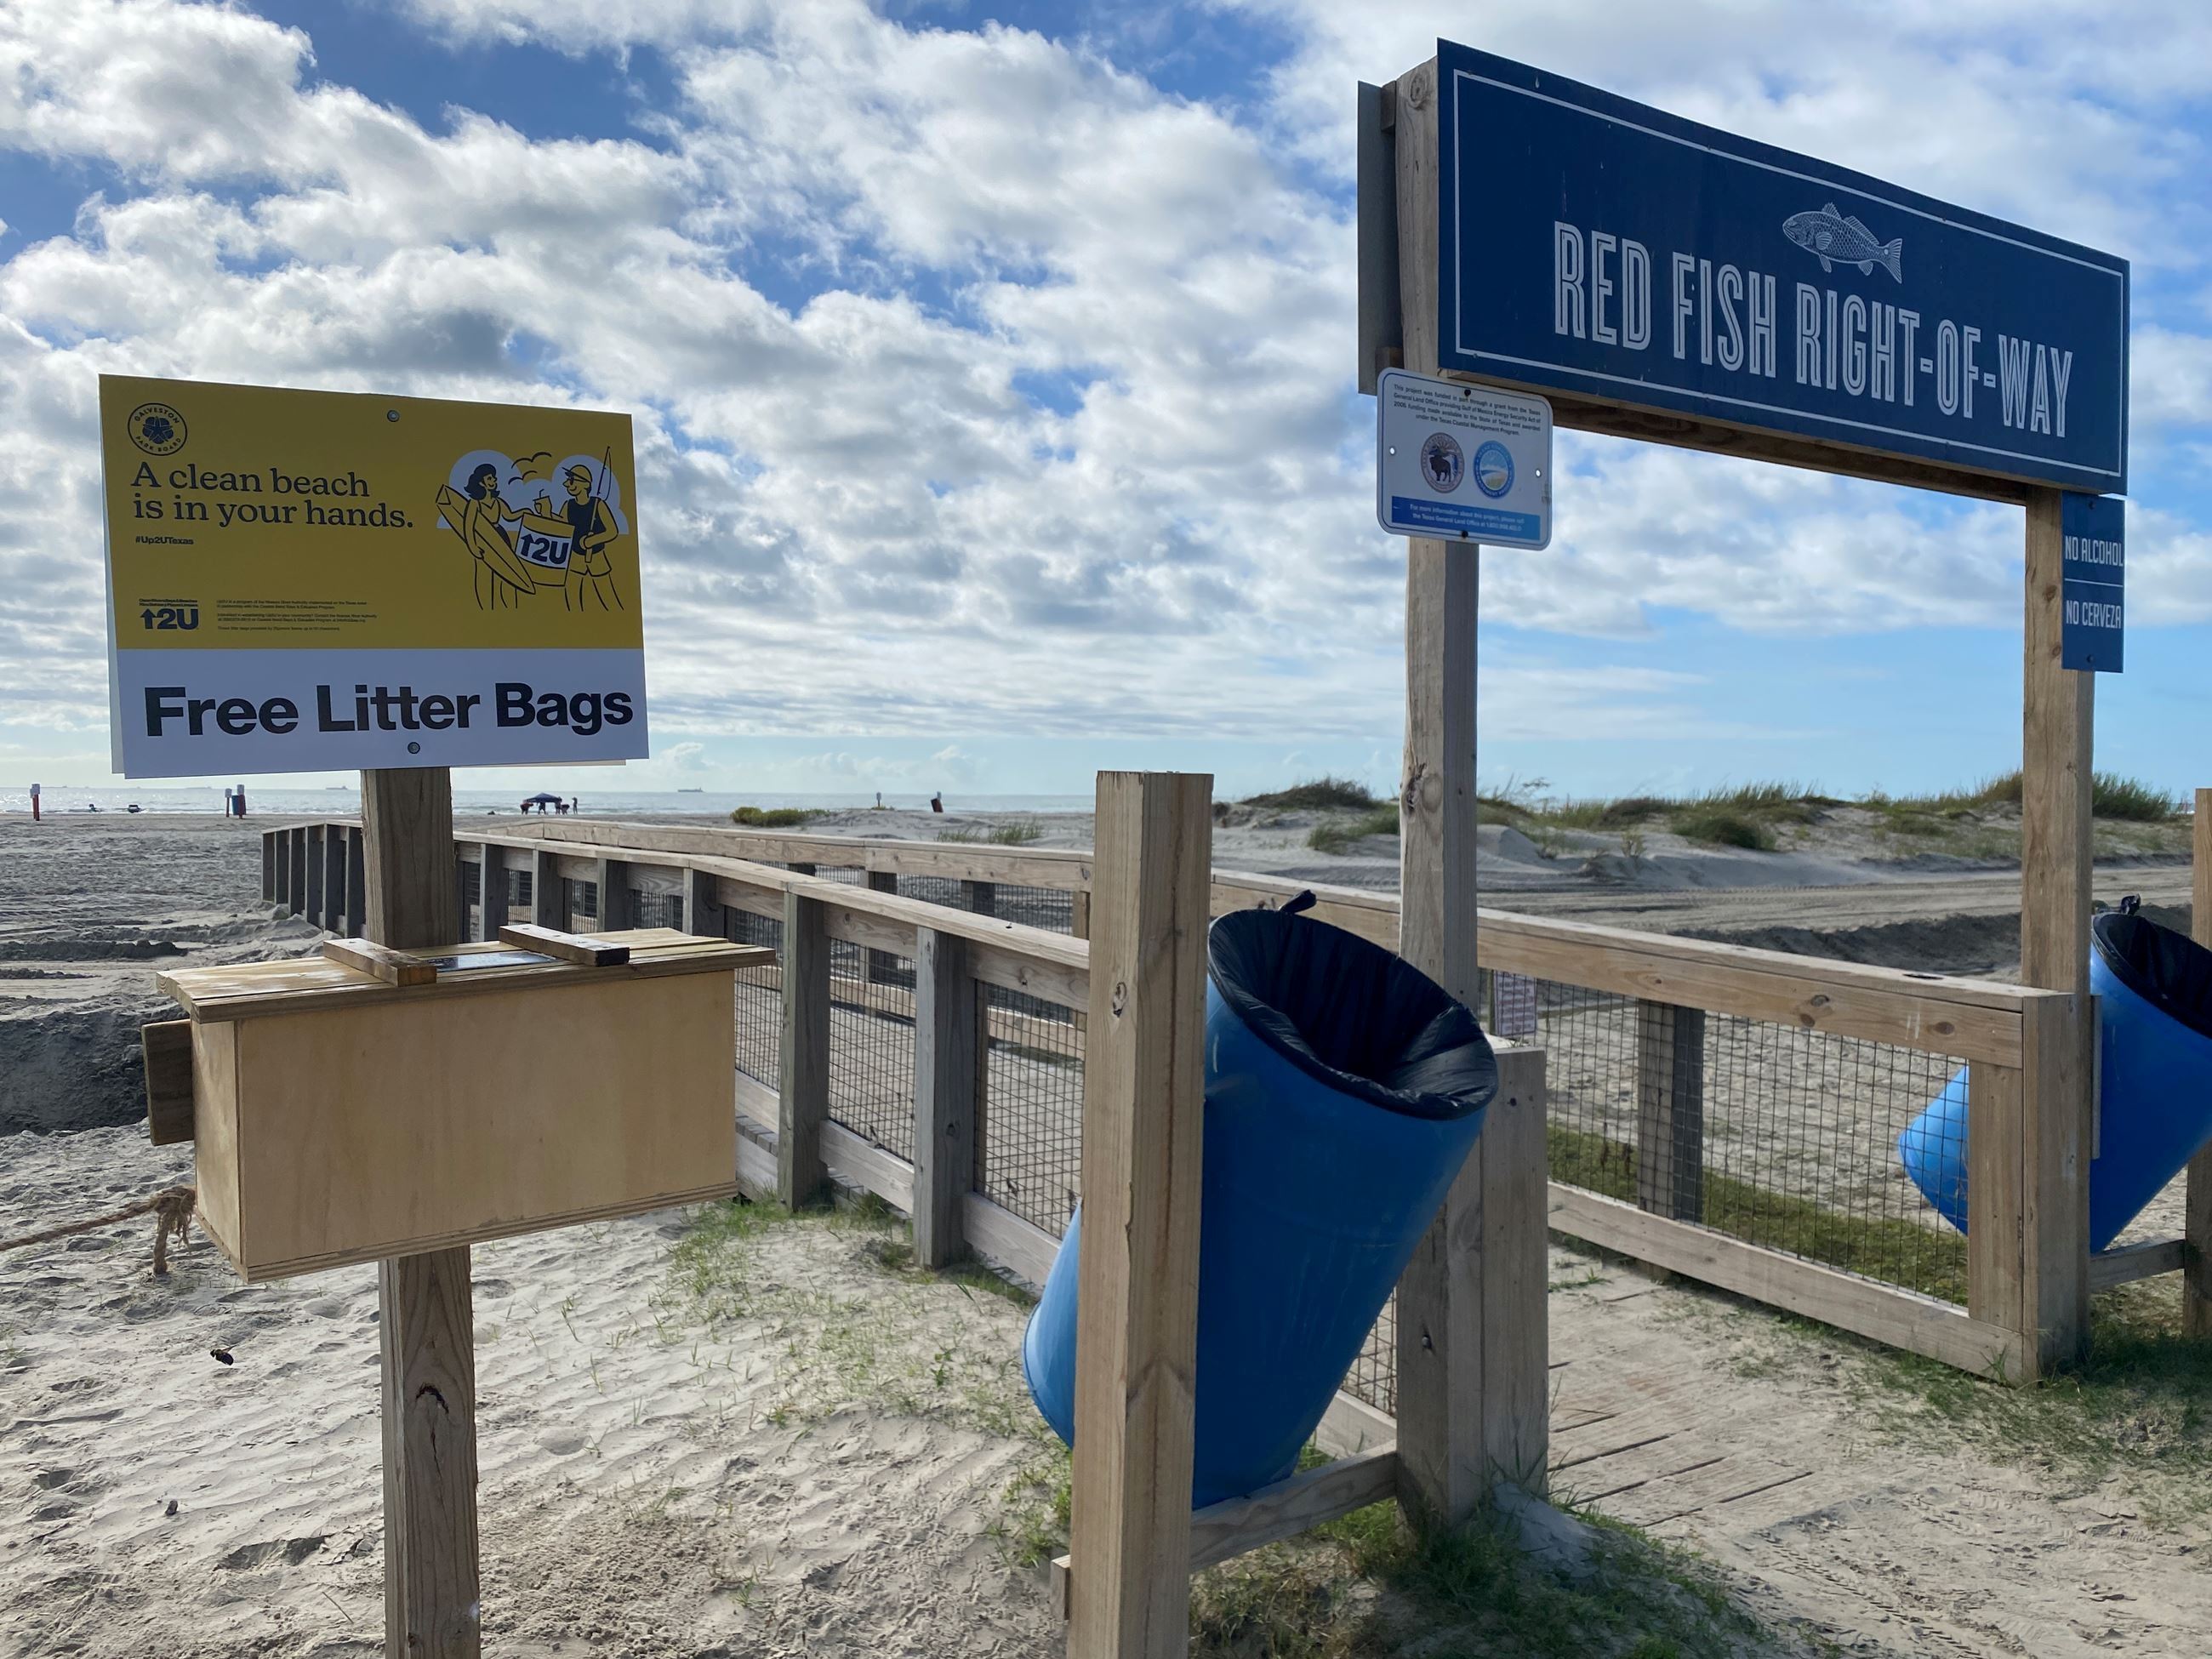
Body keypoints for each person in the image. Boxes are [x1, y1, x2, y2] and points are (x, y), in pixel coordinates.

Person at [436, 464, 537, 609]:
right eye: (490, 478)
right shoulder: (474, 503)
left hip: (501, 537)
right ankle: (486, 606)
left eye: (494, 478)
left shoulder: (498, 501)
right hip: (483, 540)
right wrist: (472, 546)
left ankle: (507, 606)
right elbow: (468, 526)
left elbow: (509, 516)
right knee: (485, 574)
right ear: (481, 482)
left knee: (505, 575)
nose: (494, 481)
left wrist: (523, 511)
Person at [532, 464, 623, 613]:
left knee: (607, 596)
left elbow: (612, 531)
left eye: (572, 480)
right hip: (575, 557)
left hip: (596, 557)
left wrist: (591, 541)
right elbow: (562, 527)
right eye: (568, 481)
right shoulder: (569, 505)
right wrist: (546, 513)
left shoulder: (598, 504)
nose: (568, 484)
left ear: (586, 484)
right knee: (572, 595)